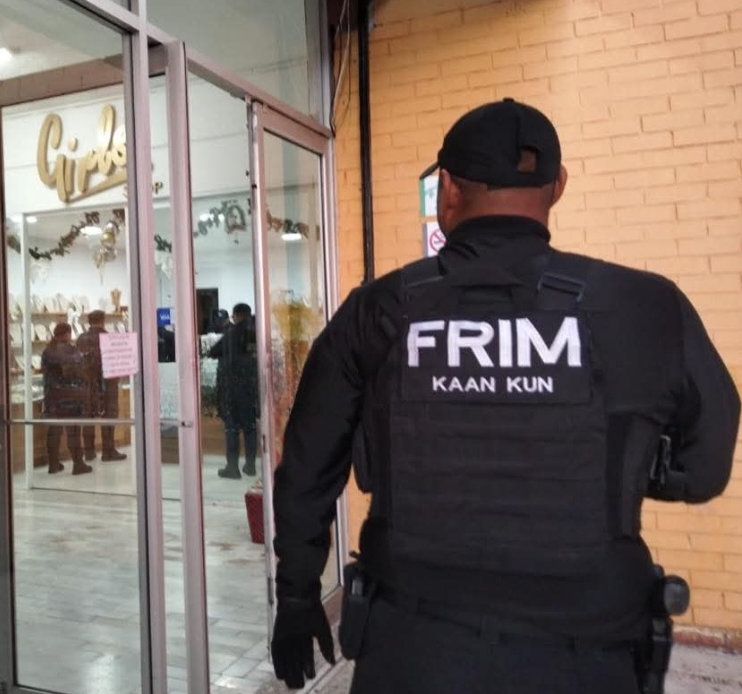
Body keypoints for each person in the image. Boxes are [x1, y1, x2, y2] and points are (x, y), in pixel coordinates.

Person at [269, 98, 740, 693]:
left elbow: (307, 466)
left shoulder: (379, 311)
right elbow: (704, 469)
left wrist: (297, 595)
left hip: (414, 652)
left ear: (447, 189)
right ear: (558, 186)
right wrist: (607, 468)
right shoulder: (646, 307)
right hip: (589, 656)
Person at [208, 302, 259, 479]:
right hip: (252, 385)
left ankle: (232, 468)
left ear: (236, 315)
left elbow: (214, 351)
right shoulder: (256, 332)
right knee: (250, 427)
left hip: (233, 386)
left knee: (232, 428)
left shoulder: (233, 332)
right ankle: (250, 466)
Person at [77, 310, 128, 462]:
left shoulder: (81, 339)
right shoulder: (109, 338)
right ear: (103, 320)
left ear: (89, 321)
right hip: (107, 383)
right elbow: (116, 362)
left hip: (86, 384)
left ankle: (89, 451)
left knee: (88, 416)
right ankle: (108, 451)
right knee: (109, 415)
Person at [41, 322, 91, 475]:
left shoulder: (48, 351)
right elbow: (80, 370)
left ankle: (53, 464)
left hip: (53, 396)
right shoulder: (73, 351)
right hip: (71, 396)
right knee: (73, 431)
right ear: (67, 333)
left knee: (54, 430)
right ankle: (78, 463)